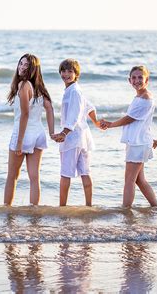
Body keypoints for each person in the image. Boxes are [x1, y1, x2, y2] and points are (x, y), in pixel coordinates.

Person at [100, 65, 157, 207]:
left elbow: (130, 118)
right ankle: (156, 206)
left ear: (147, 80)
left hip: (138, 143)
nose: (137, 80)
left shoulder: (145, 98)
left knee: (129, 180)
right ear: (129, 80)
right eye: (134, 77)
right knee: (139, 180)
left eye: (140, 77)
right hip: (137, 142)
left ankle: (126, 211)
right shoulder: (139, 96)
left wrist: (111, 124)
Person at [4, 53, 54, 206]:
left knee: (12, 177)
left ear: (33, 69)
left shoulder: (24, 85)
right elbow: (49, 108)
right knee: (34, 177)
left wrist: (19, 143)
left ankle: (7, 212)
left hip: (23, 135)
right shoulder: (39, 88)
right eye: (21, 63)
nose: (22, 67)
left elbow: (25, 114)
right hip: (38, 134)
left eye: (27, 65)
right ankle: (34, 214)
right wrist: (51, 133)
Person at [52, 58, 101, 207]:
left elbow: (73, 115)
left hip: (73, 138)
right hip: (83, 138)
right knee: (85, 172)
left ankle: (62, 207)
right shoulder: (76, 90)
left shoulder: (73, 92)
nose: (66, 74)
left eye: (70, 71)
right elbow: (89, 107)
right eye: (64, 71)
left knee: (65, 174)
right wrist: (96, 122)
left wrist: (64, 133)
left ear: (76, 73)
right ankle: (89, 206)